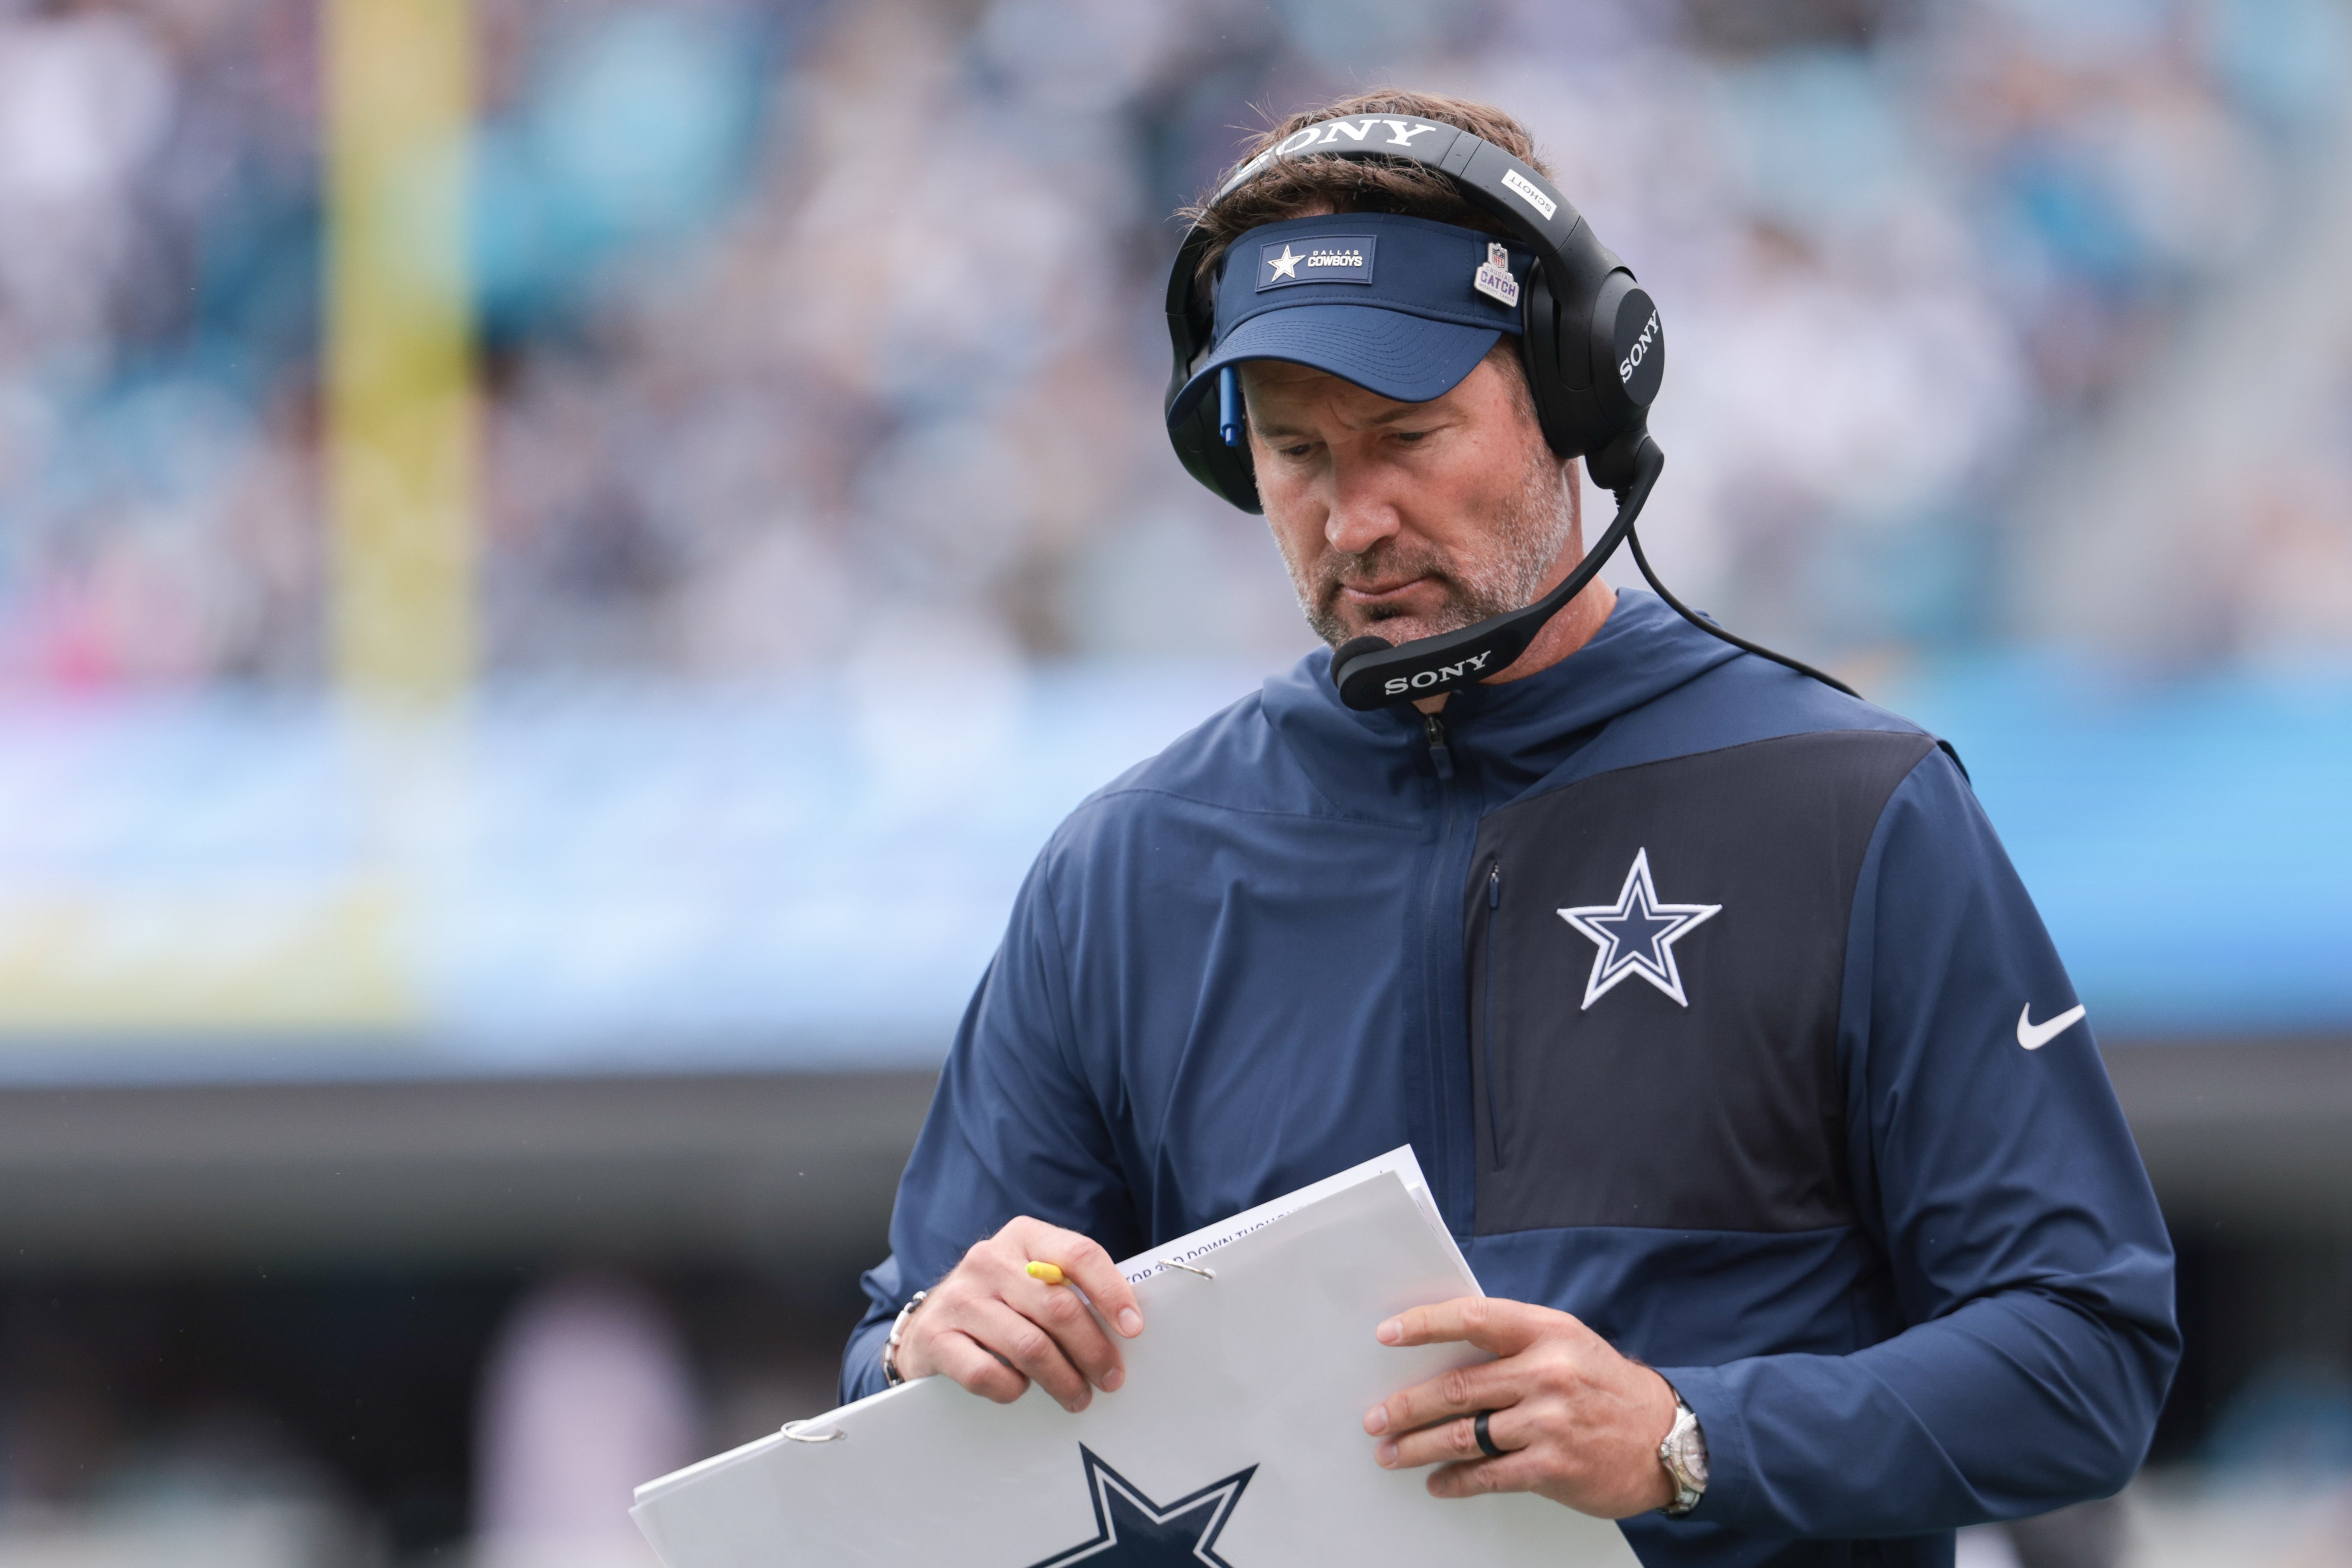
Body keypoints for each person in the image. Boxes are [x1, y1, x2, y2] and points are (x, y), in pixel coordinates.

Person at [839, 90, 2177, 1566]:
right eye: (1296, 453)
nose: (1353, 521)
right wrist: (925, 1348)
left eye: (1409, 435)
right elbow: (900, 1382)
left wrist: (1685, 1437)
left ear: (1574, 396)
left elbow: (2085, 1360)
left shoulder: (1855, 806)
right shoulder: (1129, 867)